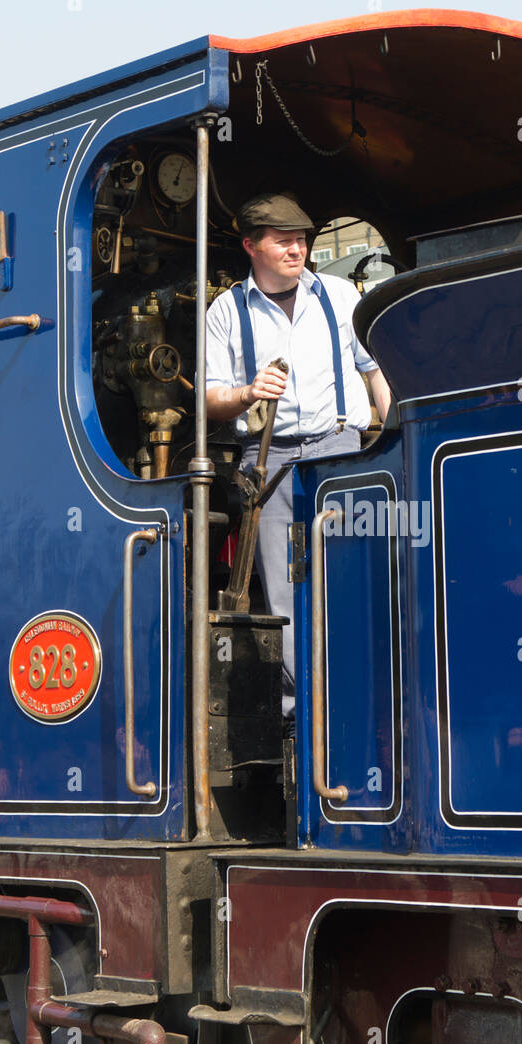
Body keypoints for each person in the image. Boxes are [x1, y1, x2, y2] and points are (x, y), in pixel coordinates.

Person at [205, 194, 391, 732]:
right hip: (271, 464)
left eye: (303, 239)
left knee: (355, 581)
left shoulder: (336, 293)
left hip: (342, 452)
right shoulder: (226, 312)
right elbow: (211, 400)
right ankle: (305, 724)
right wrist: (245, 392)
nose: (297, 249)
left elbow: (374, 370)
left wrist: (393, 434)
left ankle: (364, 707)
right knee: (286, 595)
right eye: (284, 240)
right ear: (251, 245)